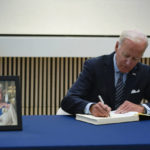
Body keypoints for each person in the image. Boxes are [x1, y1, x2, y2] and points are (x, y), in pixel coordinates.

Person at [60, 30, 150, 117]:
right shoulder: (94, 66)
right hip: (97, 127)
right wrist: (91, 108)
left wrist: (143, 109)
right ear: (117, 46)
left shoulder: (144, 72)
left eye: (135, 59)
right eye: (126, 55)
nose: (128, 63)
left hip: (128, 127)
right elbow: (68, 100)